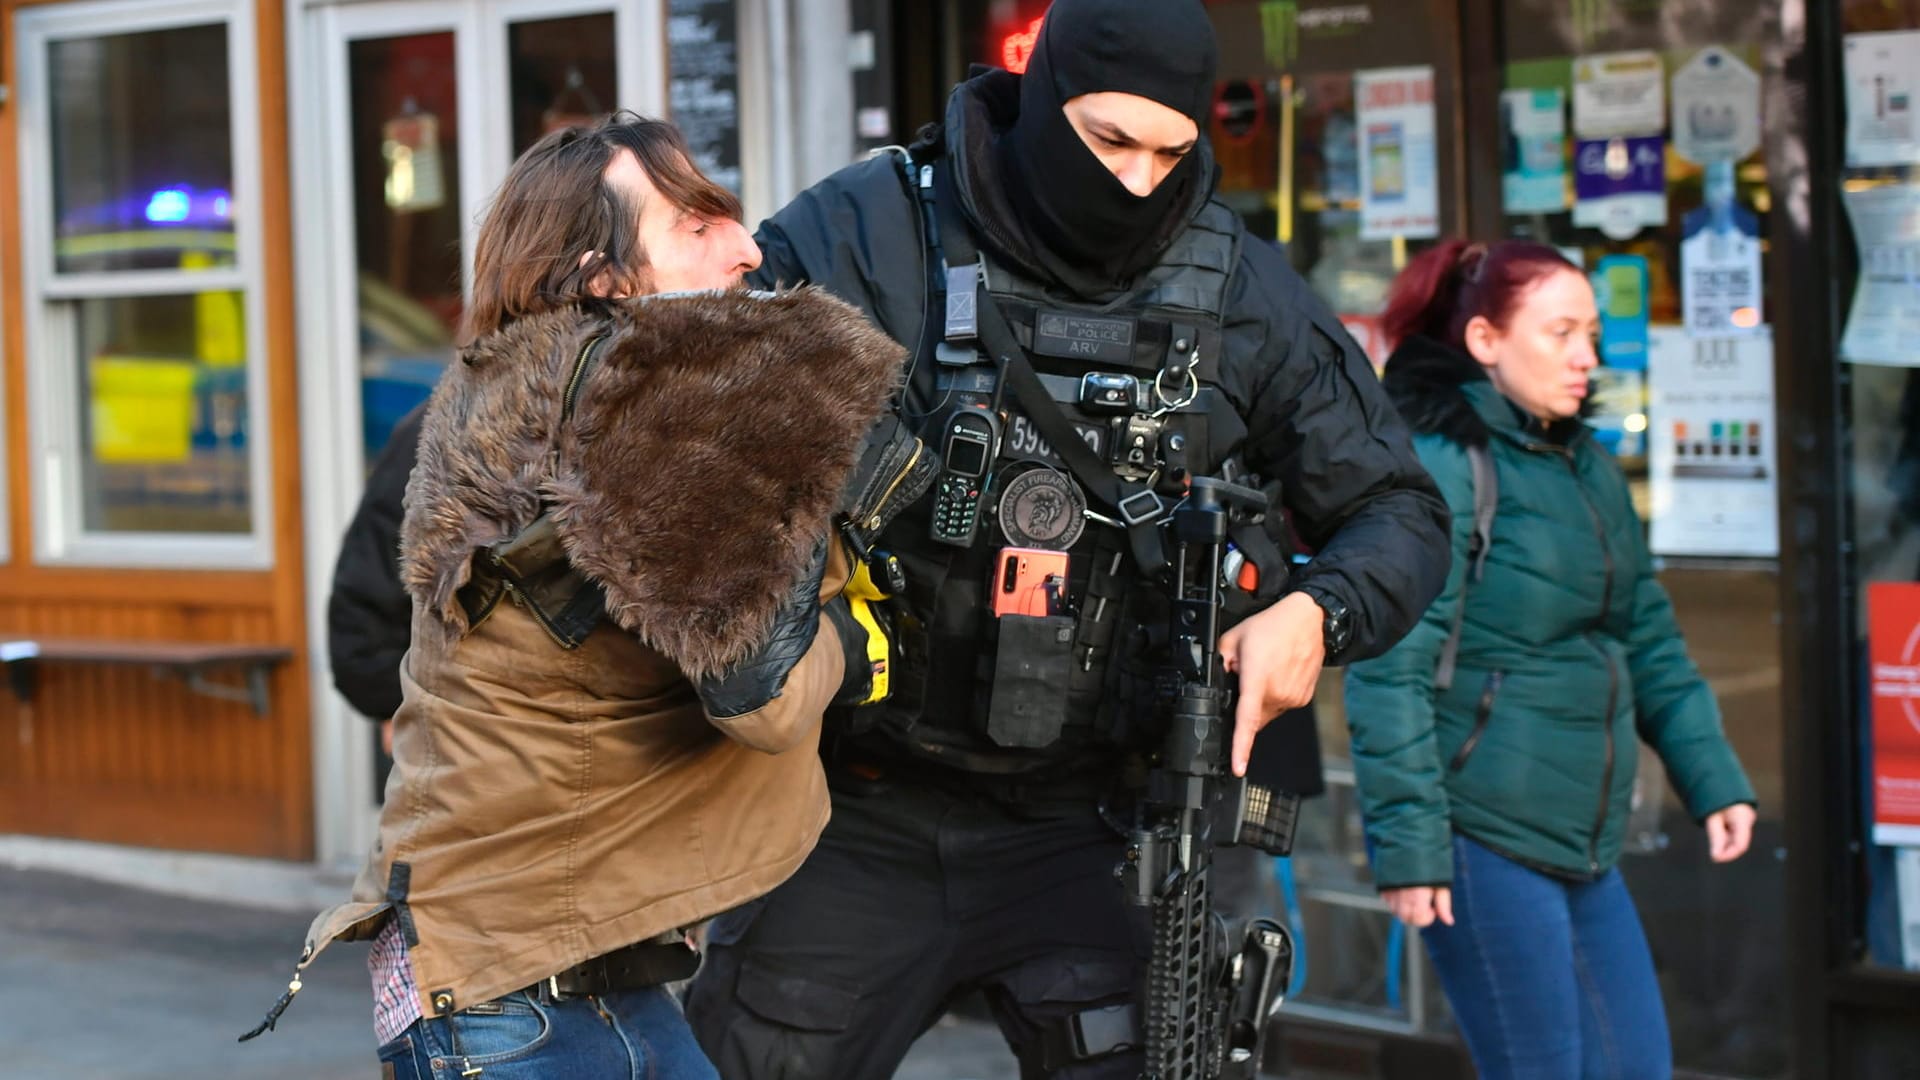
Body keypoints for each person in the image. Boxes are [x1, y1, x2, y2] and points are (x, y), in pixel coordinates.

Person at [683, 2, 1452, 1076]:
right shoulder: (870, 229)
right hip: (858, 808)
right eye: (1107, 141)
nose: (1136, 182)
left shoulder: (1238, 290)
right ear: (1043, 99)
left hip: (1102, 825)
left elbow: (1402, 513)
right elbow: (713, 422)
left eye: (1169, 151)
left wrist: (1315, 614)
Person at [250, 113, 913, 1079]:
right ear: (603, 278)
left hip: (554, 977)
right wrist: (859, 640)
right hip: (510, 995)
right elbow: (764, 700)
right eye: (696, 227)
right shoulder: (648, 410)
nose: (748, 247)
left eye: (730, 216)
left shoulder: (534, 391)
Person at [1343, 238, 1759, 1079]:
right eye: (1561, 331)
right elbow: (1391, 667)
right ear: (1486, 341)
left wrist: (1711, 776)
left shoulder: (1587, 467)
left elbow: (1647, 639)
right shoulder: (1444, 466)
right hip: (1481, 833)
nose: (1586, 357)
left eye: (1593, 335)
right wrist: (1412, 847)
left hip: (1583, 835)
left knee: (1634, 1065)